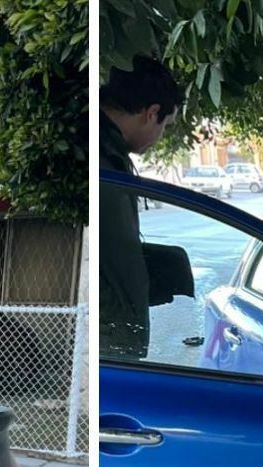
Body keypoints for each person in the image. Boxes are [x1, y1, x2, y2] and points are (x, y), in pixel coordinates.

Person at [99, 56, 183, 359]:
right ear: (152, 113)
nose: (161, 138)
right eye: (166, 126)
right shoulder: (102, 161)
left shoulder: (110, 156)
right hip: (108, 348)